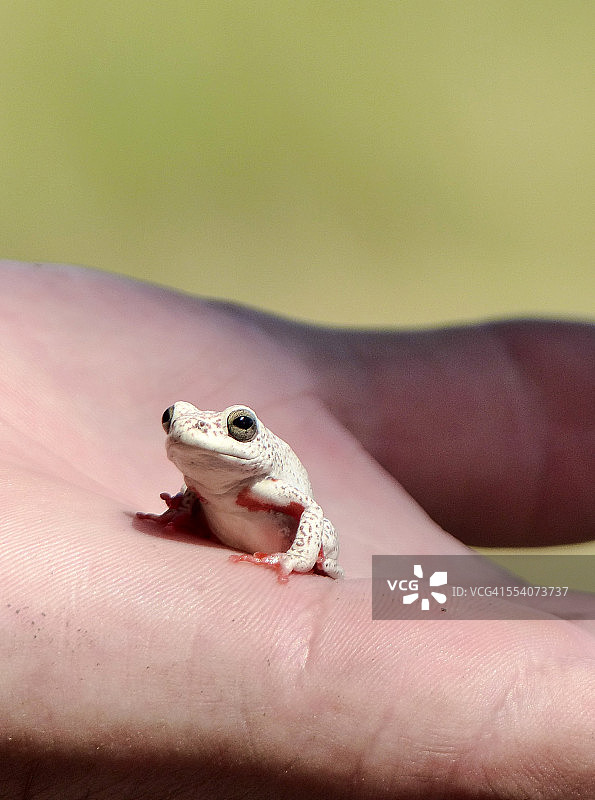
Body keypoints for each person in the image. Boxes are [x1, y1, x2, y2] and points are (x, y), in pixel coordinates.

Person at [1, 261, 593, 799]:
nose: (195, 435)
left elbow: (310, 516)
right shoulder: (203, 473)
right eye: (174, 424)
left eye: (232, 427)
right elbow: (195, 491)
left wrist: (295, 561)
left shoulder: (267, 486)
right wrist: (179, 510)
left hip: (307, 553)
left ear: (248, 436)